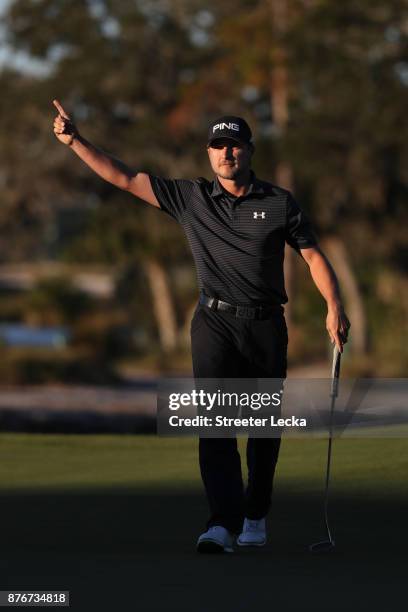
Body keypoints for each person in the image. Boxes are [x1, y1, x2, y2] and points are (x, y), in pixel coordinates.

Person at [52, 101, 350, 553]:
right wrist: (76, 141)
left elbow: (311, 255)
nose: (226, 153)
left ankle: (255, 514)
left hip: (266, 326)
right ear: (208, 153)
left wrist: (334, 305)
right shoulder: (191, 197)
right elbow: (124, 177)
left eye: (234, 145)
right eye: (218, 146)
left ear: (249, 150)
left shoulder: (277, 202)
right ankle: (221, 525)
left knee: (263, 430)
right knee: (215, 423)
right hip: (213, 321)